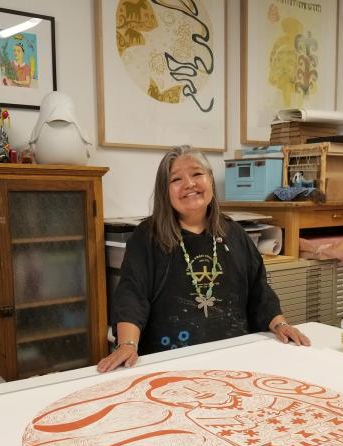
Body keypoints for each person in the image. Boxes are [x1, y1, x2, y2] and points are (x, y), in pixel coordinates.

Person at [98, 145, 310, 372]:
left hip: (235, 358)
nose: (190, 184)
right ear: (164, 191)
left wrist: (280, 323)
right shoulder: (147, 237)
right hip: (171, 364)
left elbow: (259, 291)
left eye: (197, 174)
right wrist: (127, 344)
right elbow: (132, 294)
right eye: (176, 179)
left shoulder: (234, 233)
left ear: (210, 179)